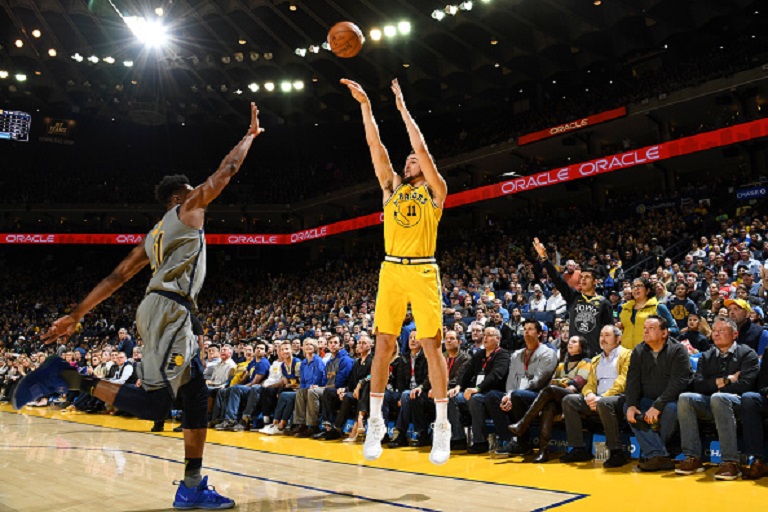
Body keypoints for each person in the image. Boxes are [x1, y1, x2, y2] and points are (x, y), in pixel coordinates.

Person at [15, 103, 264, 510]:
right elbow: (226, 172)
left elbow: (116, 277)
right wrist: (249, 137)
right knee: (156, 404)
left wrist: (77, 314)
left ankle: (191, 485)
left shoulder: (152, 237)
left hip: (162, 309)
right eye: (192, 193)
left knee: (196, 395)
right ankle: (64, 377)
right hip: (169, 311)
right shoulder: (187, 210)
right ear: (180, 196)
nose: (201, 199)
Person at [342, 77, 451, 465]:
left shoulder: (436, 190)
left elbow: (421, 146)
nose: (410, 160)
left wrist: (403, 108)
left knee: (432, 346)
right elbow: (376, 145)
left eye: (415, 159)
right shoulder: (391, 187)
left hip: (423, 270)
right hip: (391, 269)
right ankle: (374, 422)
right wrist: (366, 106)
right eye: (407, 159)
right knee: (383, 347)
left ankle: (442, 425)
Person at [676, 318, 759, 480]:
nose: (716, 334)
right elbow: (697, 385)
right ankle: (692, 458)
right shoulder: (706, 356)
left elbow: (746, 385)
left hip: (739, 405)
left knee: (719, 398)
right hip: (711, 401)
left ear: (734, 334)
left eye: (721, 331)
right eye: (714, 330)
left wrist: (714, 386)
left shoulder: (747, 353)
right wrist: (726, 380)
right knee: (686, 398)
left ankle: (730, 462)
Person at [625, 315, 692, 471]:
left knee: (672, 409)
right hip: (647, 399)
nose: (646, 332)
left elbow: (678, 383)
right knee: (628, 408)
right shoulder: (639, 350)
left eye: (651, 328)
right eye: (644, 328)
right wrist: (631, 404)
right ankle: (659, 454)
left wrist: (658, 405)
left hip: (671, 399)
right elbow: (632, 380)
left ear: (664, 333)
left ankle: (655, 454)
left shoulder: (678, 350)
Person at [533, 238, 613, 357]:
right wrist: (545, 259)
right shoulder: (573, 296)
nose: (583, 279)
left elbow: (608, 330)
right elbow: (557, 279)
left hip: (595, 353)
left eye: (587, 277)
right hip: (574, 353)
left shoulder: (603, 302)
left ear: (595, 281)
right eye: (581, 277)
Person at [618, 277, 678, 350]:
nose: (636, 288)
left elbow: (675, 329)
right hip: (626, 353)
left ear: (647, 290)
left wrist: (661, 331)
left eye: (639, 286)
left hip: (650, 353)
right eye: (633, 287)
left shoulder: (658, 307)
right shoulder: (624, 308)